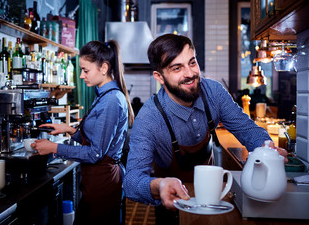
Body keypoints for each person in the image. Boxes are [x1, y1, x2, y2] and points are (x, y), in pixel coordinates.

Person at [122, 34, 287, 225]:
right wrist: (158, 185)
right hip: (171, 202)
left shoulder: (213, 92)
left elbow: (247, 129)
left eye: (192, 63)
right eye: (177, 68)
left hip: (211, 197)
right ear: (159, 76)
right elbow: (131, 180)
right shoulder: (150, 117)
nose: (190, 73)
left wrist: (267, 148)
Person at [32, 40, 134, 224]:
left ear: (104, 68)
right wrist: (69, 130)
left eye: (85, 70)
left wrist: (54, 147)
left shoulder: (111, 100)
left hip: (104, 184)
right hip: (97, 184)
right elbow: (99, 140)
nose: (81, 75)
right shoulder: (103, 95)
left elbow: (95, 153)